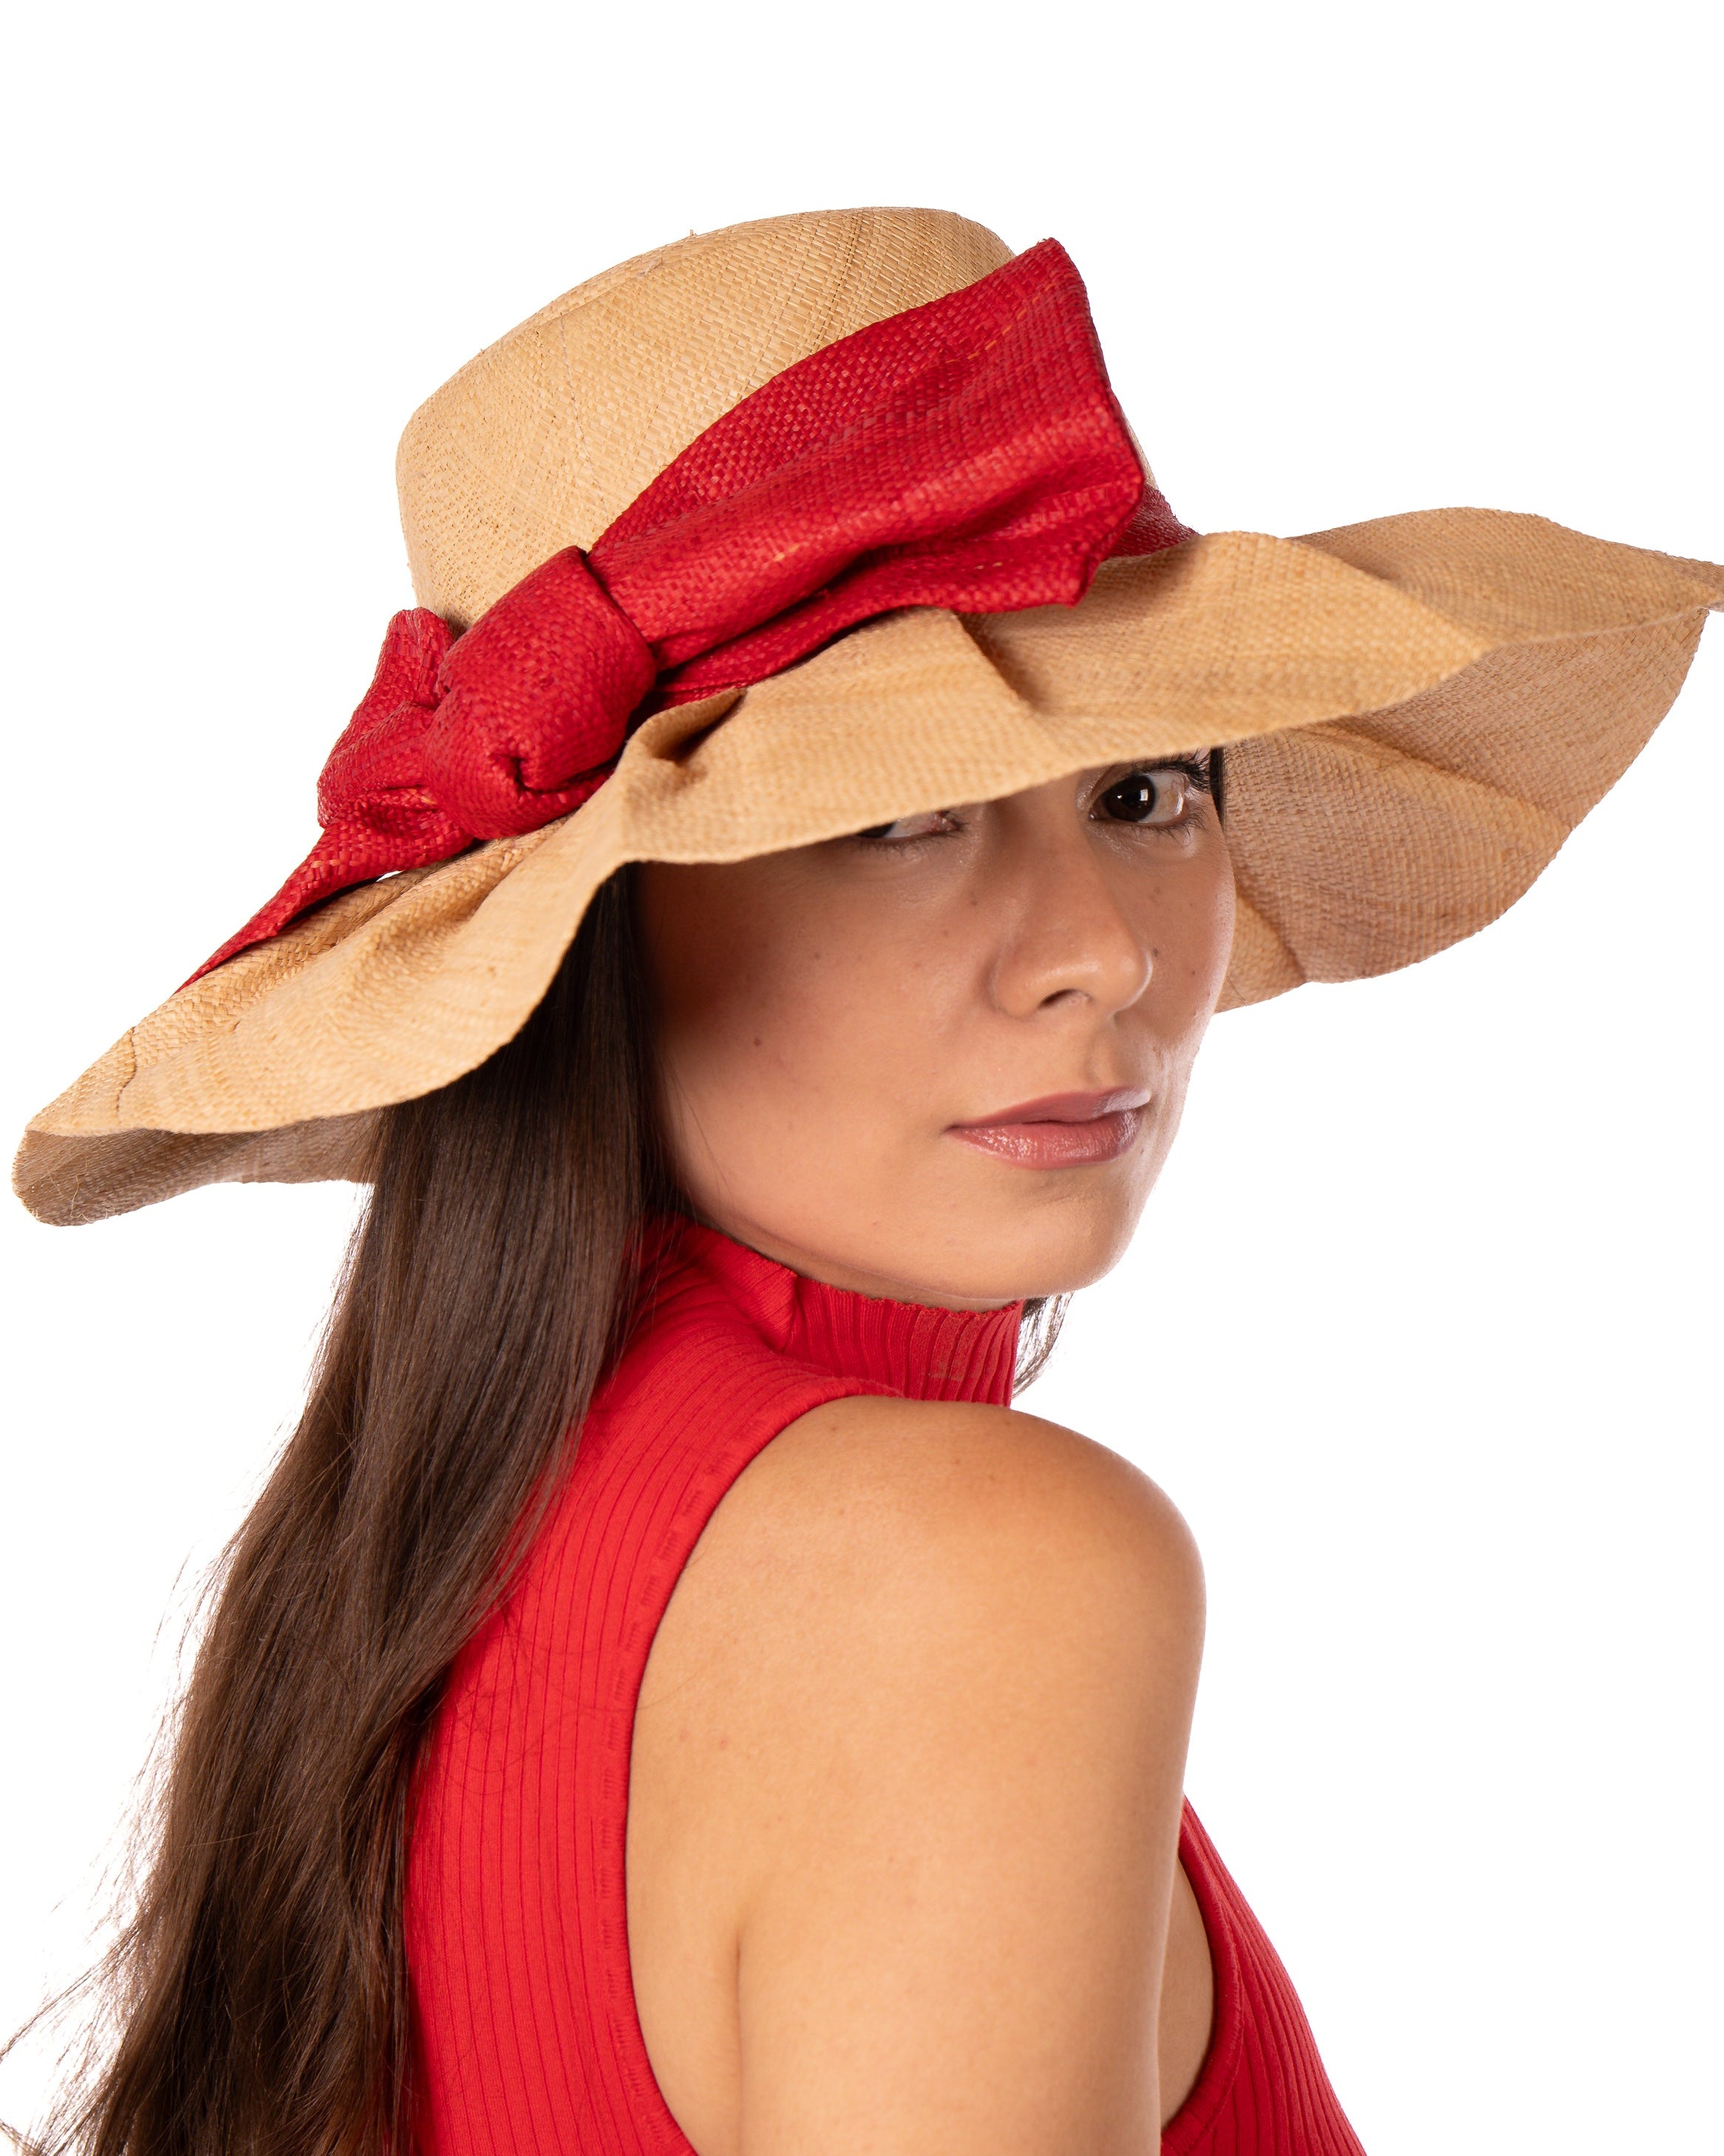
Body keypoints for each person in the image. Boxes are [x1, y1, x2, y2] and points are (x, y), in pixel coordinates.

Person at [12, 208, 1720, 2156]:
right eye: (898, 817)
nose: (1100, 950)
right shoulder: (984, 1573)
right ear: (599, 931)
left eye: (1147, 790)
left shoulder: (397, 1569)